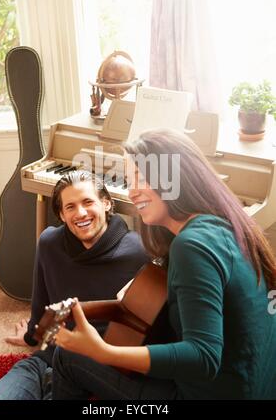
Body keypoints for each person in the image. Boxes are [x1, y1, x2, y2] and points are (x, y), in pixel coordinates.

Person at [51, 128, 276, 400]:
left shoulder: (191, 246)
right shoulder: (226, 221)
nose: (133, 192)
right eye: (129, 180)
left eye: (142, 178)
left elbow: (203, 356)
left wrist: (103, 352)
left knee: (66, 357)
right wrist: (85, 309)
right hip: (254, 384)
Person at [0, 170, 149, 400]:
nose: (80, 213)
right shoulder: (49, 242)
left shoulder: (139, 252)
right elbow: (41, 301)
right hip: (47, 358)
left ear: (107, 204)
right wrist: (32, 335)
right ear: (61, 214)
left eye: (88, 202)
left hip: (92, 370)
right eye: (70, 207)